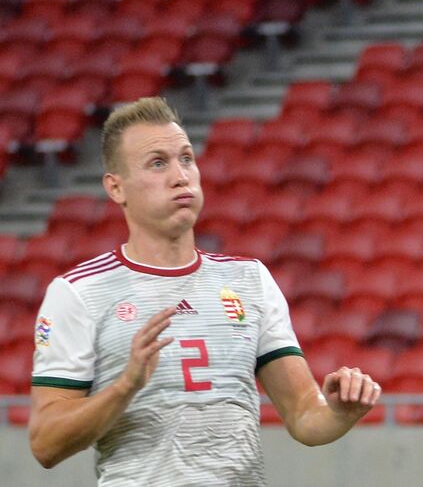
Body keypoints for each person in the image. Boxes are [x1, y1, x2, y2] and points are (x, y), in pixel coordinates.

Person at [28, 96, 382, 486]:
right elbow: (46, 444)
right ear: (116, 188)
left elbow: (303, 415)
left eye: (186, 158)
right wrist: (124, 388)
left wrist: (339, 412)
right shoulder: (78, 293)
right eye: (157, 163)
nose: (181, 175)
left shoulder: (250, 280)